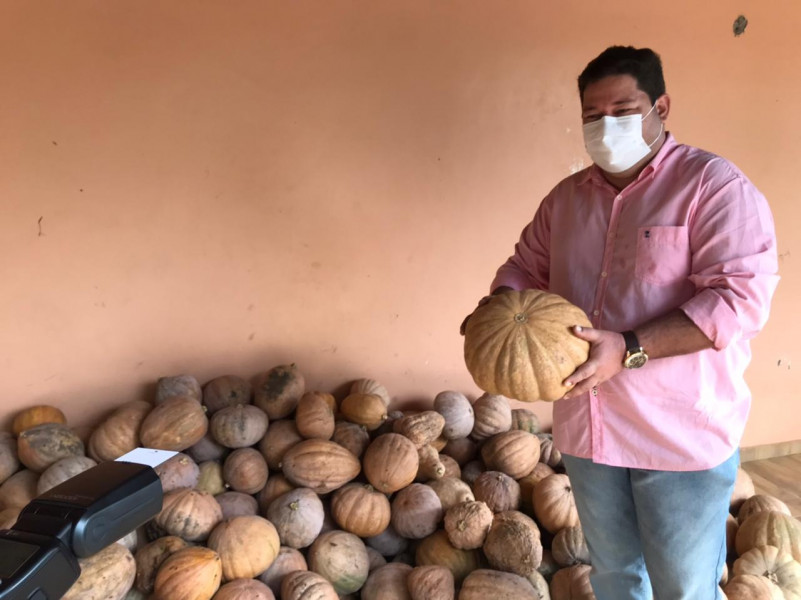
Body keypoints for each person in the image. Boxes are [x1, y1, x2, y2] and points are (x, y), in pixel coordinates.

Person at [462, 46, 779, 600]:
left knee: (682, 587)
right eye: (592, 116)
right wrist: (498, 312)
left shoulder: (713, 187)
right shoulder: (564, 202)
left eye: (623, 111)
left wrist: (629, 346)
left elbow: (739, 301)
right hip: (591, 432)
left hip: (678, 436)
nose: (606, 127)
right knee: (613, 577)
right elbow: (523, 268)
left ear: (662, 107)